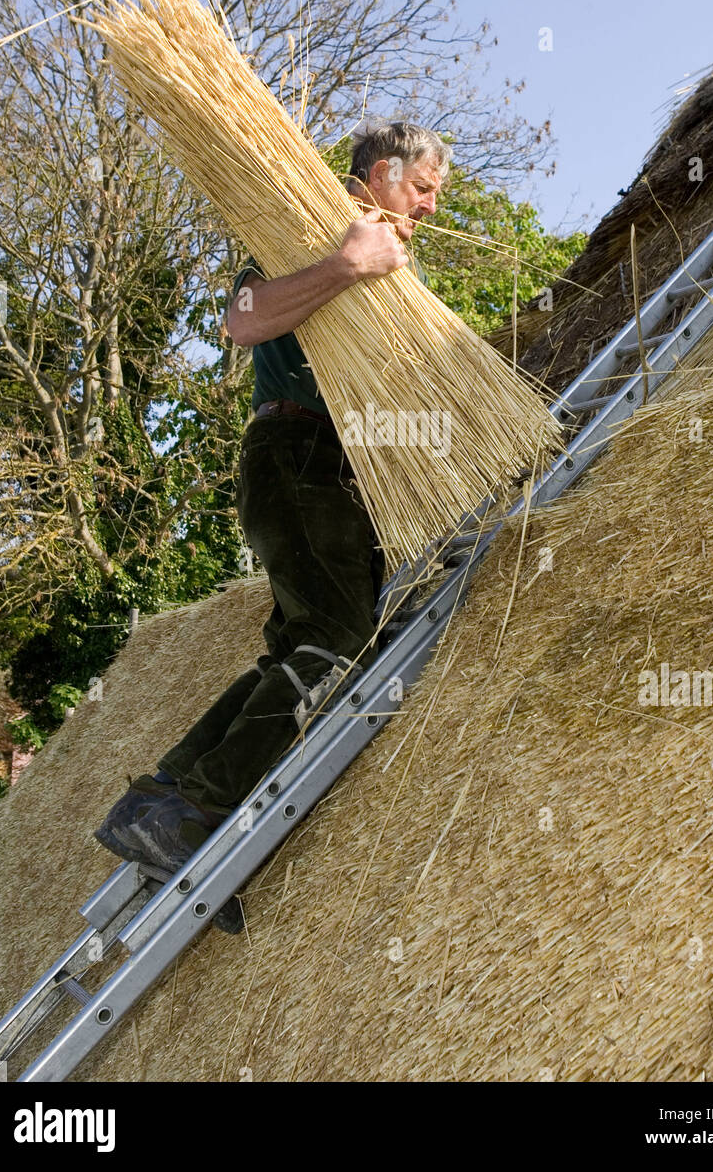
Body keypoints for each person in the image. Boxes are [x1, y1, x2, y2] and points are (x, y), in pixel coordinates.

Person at [95, 121, 451, 880]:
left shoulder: (398, 280)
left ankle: (161, 798)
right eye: (422, 190)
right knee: (338, 641)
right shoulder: (302, 230)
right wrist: (348, 264)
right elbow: (244, 319)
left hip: (337, 467)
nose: (427, 210)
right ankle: (197, 810)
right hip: (296, 454)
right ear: (381, 174)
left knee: (301, 647)